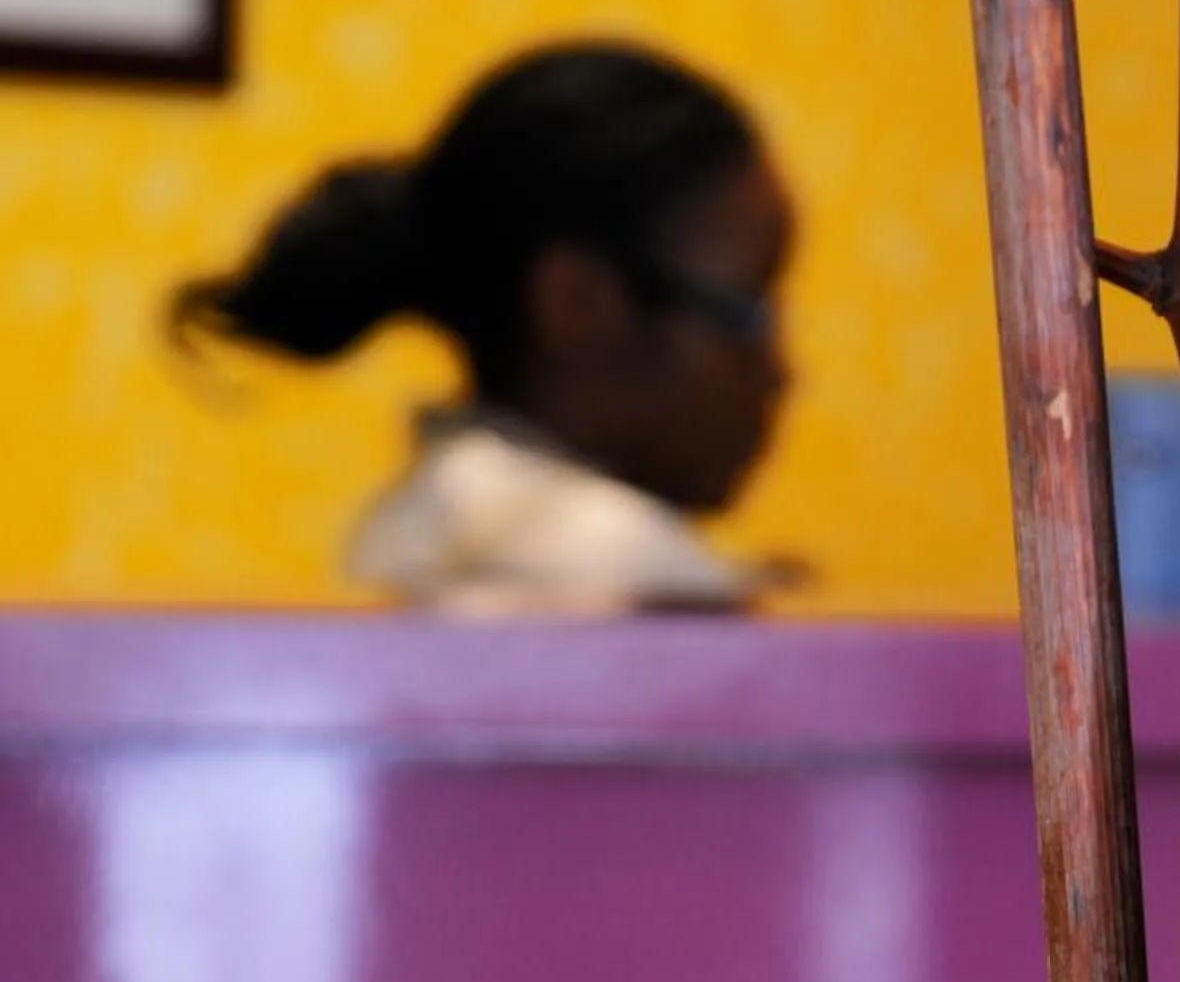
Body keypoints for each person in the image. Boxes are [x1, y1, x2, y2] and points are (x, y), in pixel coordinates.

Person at [173, 41, 794, 617]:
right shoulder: (624, 573)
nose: (780, 371)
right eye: (750, 310)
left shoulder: (408, 522)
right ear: (576, 303)